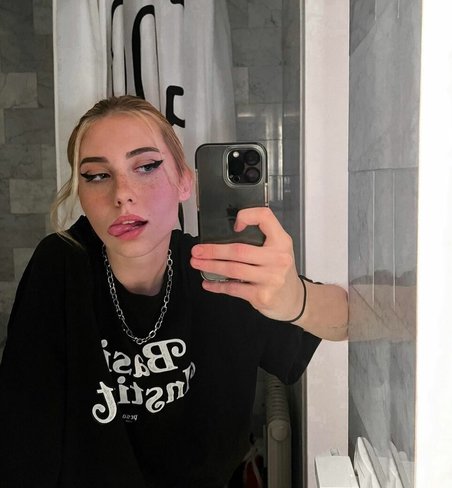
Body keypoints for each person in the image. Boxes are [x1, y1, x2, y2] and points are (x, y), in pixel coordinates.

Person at [0, 95, 347, 488]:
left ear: (185, 181)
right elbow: (23, 429)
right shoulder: (60, 265)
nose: (122, 194)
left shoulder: (221, 272)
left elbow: (348, 319)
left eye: (146, 166)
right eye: (96, 175)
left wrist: (295, 299)